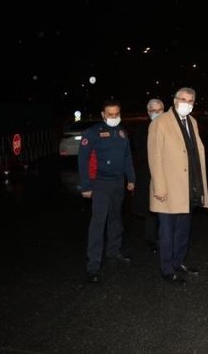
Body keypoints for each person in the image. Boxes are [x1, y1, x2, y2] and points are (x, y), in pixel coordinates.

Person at [148, 87, 208, 285]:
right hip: (167, 187)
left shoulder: (192, 122)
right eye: (183, 99)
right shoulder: (161, 123)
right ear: (174, 100)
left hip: (188, 186)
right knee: (167, 231)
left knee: (183, 229)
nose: (186, 103)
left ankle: (178, 261)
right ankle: (167, 269)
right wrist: (159, 187)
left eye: (190, 100)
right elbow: (155, 156)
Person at [77, 99, 136, 284]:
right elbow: (83, 160)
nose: (113, 117)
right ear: (103, 115)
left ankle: (114, 251)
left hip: (118, 183)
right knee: (98, 223)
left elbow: (127, 156)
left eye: (116, 114)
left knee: (116, 218)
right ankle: (93, 265)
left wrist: (131, 178)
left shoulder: (121, 132)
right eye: (110, 114)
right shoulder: (92, 133)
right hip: (100, 184)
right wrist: (86, 186)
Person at [131, 98, 164, 252]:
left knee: (166, 209)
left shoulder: (170, 128)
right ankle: (151, 239)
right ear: (148, 112)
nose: (156, 113)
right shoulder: (141, 130)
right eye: (153, 111)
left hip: (167, 174)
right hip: (147, 174)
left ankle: (165, 237)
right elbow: (140, 154)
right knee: (150, 208)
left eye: (159, 111)